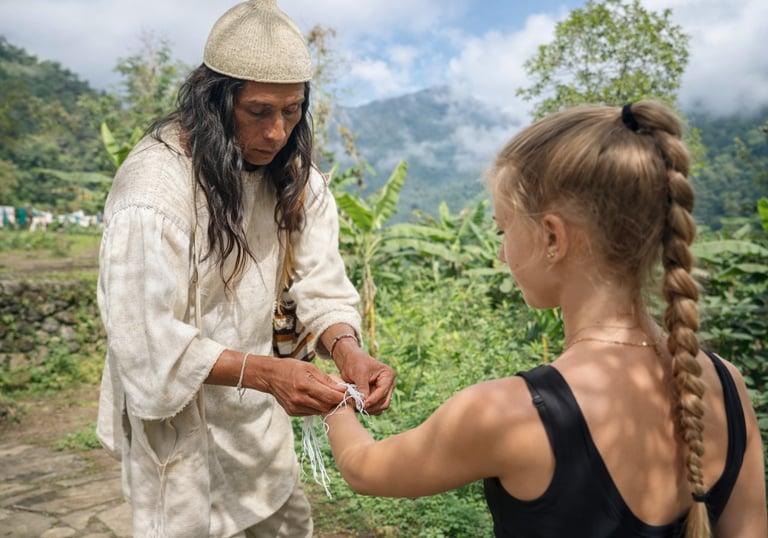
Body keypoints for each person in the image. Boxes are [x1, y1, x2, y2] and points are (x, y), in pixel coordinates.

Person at [324, 101, 767, 537]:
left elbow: (365, 468)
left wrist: (334, 401)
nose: (501, 253)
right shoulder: (725, 385)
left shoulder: (507, 412)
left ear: (552, 236)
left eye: (503, 230)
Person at [95, 1, 396, 536]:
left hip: (257, 423)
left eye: (291, 110)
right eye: (258, 111)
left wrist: (348, 349)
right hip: (179, 427)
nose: (278, 132)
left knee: (281, 519)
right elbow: (146, 342)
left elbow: (320, 283)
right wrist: (265, 373)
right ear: (214, 101)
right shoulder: (153, 191)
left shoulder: (296, 183)